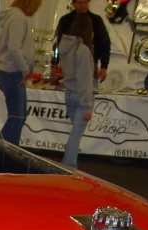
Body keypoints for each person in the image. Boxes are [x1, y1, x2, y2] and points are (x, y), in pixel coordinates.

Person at [0, 0, 41, 145]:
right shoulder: (18, 18)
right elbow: (14, 48)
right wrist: (25, 70)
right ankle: (4, 150)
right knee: (17, 117)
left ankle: (3, 149)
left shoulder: (14, 17)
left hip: (10, 71)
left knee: (18, 116)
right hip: (12, 72)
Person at [58, 13, 95, 169]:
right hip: (81, 96)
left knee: (75, 133)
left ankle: (70, 164)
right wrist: (87, 105)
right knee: (76, 135)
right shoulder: (83, 50)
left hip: (69, 93)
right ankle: (69, 166)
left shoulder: (65, 47)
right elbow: (84, 80)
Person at [54, 0, 111, 83]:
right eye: (80, 3)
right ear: (74, 4)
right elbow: (57, 44)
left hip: (90, 65)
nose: (83, 6)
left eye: (85, 3)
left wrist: (104, 67)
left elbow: (105, 44)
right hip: (68, 67)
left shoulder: (96, 20)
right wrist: (54, 65)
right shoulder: (65, 20)